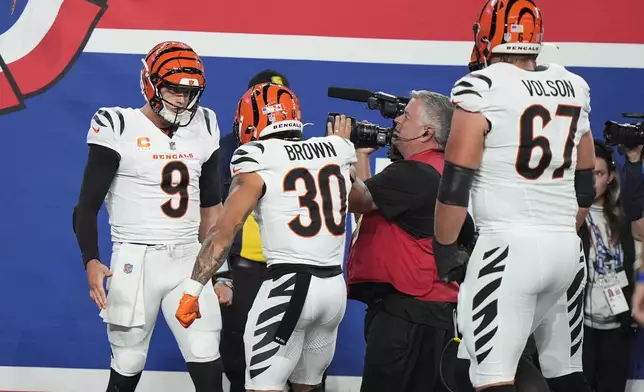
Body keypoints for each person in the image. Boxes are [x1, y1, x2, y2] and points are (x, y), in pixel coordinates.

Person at [432, 1, 596, 391]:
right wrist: (560, 230)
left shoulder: (482, 88)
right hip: (566, 250)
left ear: (486, 35)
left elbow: (455, 184)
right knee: (565, 371)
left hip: (506, 247)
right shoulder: (573, 85)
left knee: (490, 376)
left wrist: (444, 249)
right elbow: (587, 181)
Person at [175, 82, 356, 392]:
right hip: (334, 290)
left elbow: (223, 231)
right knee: (308, 386)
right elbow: (362, 199)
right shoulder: (338, 149)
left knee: (263, 386)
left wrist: (192, 289)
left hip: (289, 287)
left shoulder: (256, 155)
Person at [72, 41, 230, 392]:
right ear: (152, 84)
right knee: (128, 361)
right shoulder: (118, 125)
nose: (181, 99)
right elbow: (86, 205)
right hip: (135, 260)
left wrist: (222, 272)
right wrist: (91, 260)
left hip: (189, 260)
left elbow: (211, 208)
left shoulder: (205, 124)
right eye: (174, 89)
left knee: (205, 354)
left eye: (189, 92)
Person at [340, 91, 475, 392]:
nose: (397, 120)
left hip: (406, 317)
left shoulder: (414, 173)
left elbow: (357, 199)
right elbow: (374, 204)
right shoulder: (442, 171)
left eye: (407, 116)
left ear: (427, 132)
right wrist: (362, 156)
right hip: (435, 313)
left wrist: (338, 154)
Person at [215, 69, 296, 392]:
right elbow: (213, 213)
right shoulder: (225, 149)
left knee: (297, 358)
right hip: (244, 269)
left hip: (289, 268)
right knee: (239, 358)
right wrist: (221, 274)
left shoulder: (303, 150)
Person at [580, 139, 638, 392]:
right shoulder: (571, 217)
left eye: (599, 174)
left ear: (610, 177)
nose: (592, 181)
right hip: (581, 328)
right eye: (587, 174)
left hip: (617, 326)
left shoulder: (623, 217)